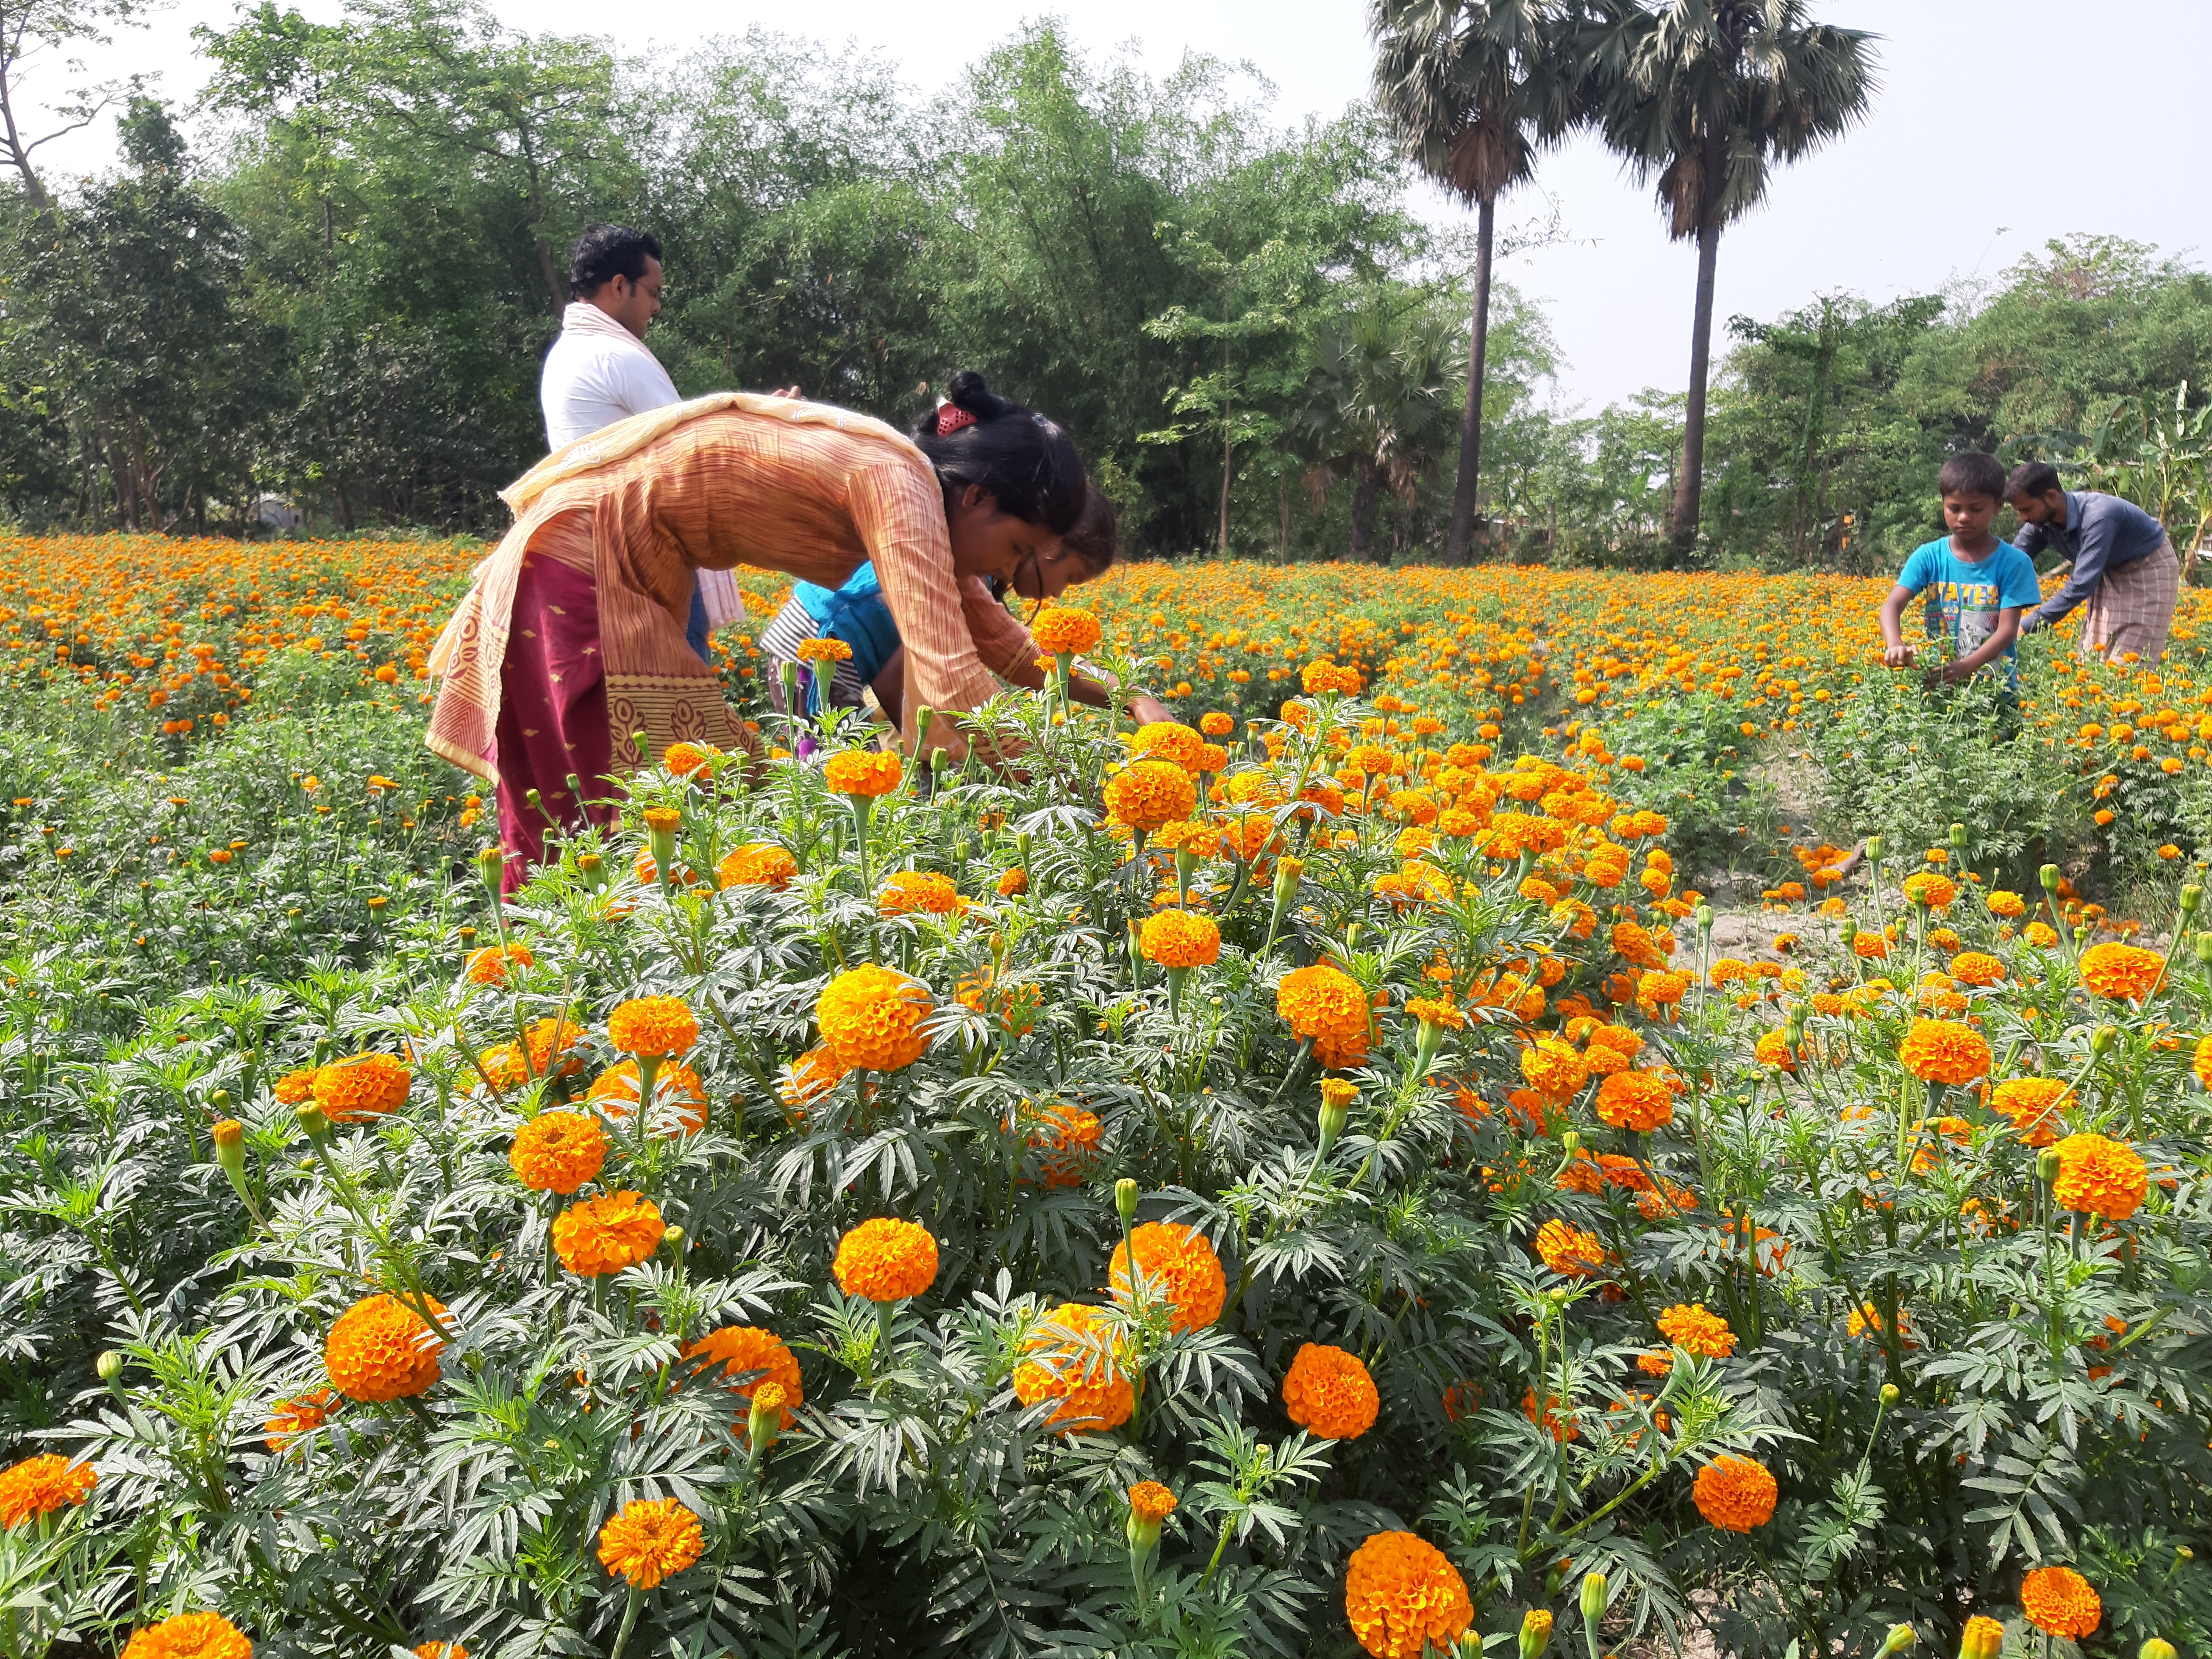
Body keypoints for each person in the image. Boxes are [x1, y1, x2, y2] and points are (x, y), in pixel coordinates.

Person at [425, 371, 1095, 890]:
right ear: (977, 497)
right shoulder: (898, 483)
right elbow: (950, 677)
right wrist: (1074, 793)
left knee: (690, 809)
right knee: (608, 820)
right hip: (580, 565)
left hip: (623, 570)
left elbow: (1004, 644)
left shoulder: (923, 496)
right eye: (1014, 547)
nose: (1006, 571)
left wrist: (1125, 698)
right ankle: (540, 1019)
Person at [757, 485, 1170, 739]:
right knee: (834, 800)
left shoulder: (979, 576)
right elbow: (896, 683)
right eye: (1070, 576)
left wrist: (1129, 694)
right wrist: (959, 760)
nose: (1060, 593)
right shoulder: (961, 569)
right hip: (816, 646)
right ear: (1045, 543)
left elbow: (1020, 656)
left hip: (846, 651)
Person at [539, 223, 742, 662]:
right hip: (650, 566)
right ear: (619, 286)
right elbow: (692, 450)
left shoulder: (565, 354)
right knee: (681, 712)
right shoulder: (618, 357)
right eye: (651, 292)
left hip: (599, 558)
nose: (657, 306)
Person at [1878, 452, 2042, 698]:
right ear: (1943, 503)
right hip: (1939, 686)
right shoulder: (1929, 556)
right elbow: (1892, 605)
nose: (1964, 517)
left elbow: (2008, 631)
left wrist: (1967, 667)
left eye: (1976, 509)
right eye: (1954, 509)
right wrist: (1895, 645)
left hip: (1996, 693)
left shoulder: (2014, 563)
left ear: (1998, 506)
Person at [2006, 460, 2180, 665]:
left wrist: (2028, 625)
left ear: (2051, 497)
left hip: (2148, 568)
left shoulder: (2099, 517)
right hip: (2108, 569)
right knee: (2093, 658)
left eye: (2026, 509)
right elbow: (2014, 561)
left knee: (2129, 663)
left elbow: (2081, 584)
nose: (2022, 518)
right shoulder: (2040, 522)